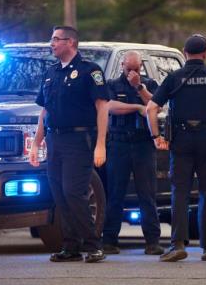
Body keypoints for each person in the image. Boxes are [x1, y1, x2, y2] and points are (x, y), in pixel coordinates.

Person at [146, 34, 206, 262]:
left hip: (181, 140)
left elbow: (150, 108)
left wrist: (156, 136)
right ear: (205, 53)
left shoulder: (174, 78)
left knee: (180, 192)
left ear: (184, 52)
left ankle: (178, 244)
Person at [30, 26, 109, 263]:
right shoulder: (51, 73)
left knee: (74, 192)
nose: (51, 43)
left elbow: (102, 106)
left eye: (56, 39)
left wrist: (101, 144)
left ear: (71, 42)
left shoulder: (90, 71)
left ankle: (94, 245)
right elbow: (45, 111)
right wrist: (36, 144)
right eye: (51, 38)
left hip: (80, 139)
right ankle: (71, 246)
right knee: (59, 194)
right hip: (55, 139)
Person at [101, 51, 164, 256]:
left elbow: (155, 107)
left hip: (143, 144)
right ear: (122, 66)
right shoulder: (112, 85)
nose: (133, 72)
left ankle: (152, 242)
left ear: (141, 67)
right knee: (115, 193)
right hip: (119, 144)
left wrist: (139, 88)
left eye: (136, 69)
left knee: (147, 194)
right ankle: (109, 240)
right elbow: (109, 106)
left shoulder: (150, 84)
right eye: (129, 69)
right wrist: (137, 106)